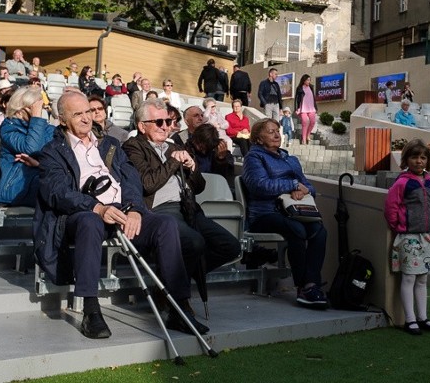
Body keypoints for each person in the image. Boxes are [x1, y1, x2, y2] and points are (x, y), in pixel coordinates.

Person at [36, 92, 201, 339]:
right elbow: (58, 192)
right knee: (89, 222)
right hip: (83, 213)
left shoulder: (110, 144)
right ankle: (91, 309)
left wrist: (135, 208)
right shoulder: (52, 151)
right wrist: (97, 207)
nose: (85, 119)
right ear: (62, 120)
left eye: (88, 112)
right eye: (77, 114)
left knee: (166, 223)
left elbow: (131, 179)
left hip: (122, 211)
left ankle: (179, 307)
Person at [123, 100, 240, 298]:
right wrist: (173, 161)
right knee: (195, 243)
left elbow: (200, 186)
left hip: (189, 208)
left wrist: (192, 167)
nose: (166, 127)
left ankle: (173, 279)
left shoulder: (172, 146)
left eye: (168, 122)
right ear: (142, 126)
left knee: (230, 246)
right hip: (161, 211)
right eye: (159, 122)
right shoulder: (133, 147)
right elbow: (147, 184)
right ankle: (177, 299)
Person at [242, 118, 328, 308]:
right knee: (297, 229)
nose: (276, 135)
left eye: (277, 131)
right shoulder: (254, 157)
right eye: (270, 131)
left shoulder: (291, 159)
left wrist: (304, 189)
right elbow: (259, 185)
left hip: (294, 210)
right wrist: (292, 185)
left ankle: (311, 283)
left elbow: (309, 186)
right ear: (258, 139)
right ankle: (304, 287)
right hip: (264, 214)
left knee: (319, 230)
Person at [384, 139, 430, 335]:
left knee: (422, 279)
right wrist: (399, 226)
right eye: (415, 157)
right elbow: (391, 207)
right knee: (408, 277)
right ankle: (410, 319)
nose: (419, 161)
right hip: (408, 237)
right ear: (407, 159)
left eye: (423, 157)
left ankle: (423, 317)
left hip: (426, 235)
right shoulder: (402, 183)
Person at [0, 86, 55, 208]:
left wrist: (39, 164)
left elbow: (57, 155)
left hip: (41, 176)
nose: (39, 111)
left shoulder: (45, 127)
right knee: (52, 188)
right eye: (34, 108)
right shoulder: (8, 128)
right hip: (16, 185)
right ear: (19, 110)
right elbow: (32, 149)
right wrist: (36, 118)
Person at [294, 74, 318, 145]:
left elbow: (313, 98)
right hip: (303, 108)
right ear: (304, 80)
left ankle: (308, 135)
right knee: (305, 122)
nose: (309, 81)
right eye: (307, 80)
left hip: (311, 108)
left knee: (313, 121)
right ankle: (303, 139)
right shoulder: (299, 88)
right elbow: (296, 99)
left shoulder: (311, 87)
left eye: (309, 80)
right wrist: (296, 108)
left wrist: (316, 107)